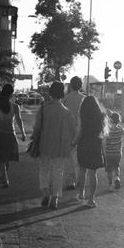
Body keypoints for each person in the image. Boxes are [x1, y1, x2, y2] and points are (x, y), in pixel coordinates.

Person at [32, 81, 77, 210]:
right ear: (62, 93)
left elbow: (37, 128)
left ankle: (45, 191)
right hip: (61, 145)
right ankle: (55, 198)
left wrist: (33, 136)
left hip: (45, 143)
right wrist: (71, 143)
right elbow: (73, 131)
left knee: (44, 168)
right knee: (58, 171)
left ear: (50, 93)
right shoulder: (66, 111)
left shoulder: (43, 108)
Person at [0, 83, 26, 187]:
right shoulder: (15, 107)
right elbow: (19, 120)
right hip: (11, 135)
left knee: (0, 158)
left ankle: (5, 178)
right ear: (11, 94)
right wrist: (23, 133)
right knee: (6, 157)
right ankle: (4, 175)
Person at [73, 95, 109, 208]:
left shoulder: (82, 115)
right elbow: (103, 133)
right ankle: (91, 200)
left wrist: (73, 144)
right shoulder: (101, 115)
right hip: (95, 145)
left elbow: (79, 133)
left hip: (84, 144)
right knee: (93, 173)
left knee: (82, 170)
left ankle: (81, 194)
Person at [62, 76, 85, 190]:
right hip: (82, 129)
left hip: (68, 129)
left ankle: (70, 181)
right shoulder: (84, 99)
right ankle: (81, 180)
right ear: (81, 86)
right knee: (81, 155)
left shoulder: (65, 99)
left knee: (69, 156)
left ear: (71, 85)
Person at [105, 112, 124, 191]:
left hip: (109, 153)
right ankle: (117, 178)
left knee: (109, 170)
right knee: (116, 166)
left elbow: (102, 136)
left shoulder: (108, 130)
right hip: (118, 152)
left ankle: (110, 185)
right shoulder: (120, 129)